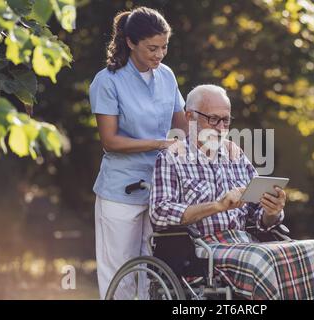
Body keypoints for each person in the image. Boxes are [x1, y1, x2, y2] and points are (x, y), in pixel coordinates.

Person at [149, 84, 314, 300]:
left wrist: (272, 210)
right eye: (213, 119)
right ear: (190, 117)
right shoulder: (171, 158)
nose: (220, 127)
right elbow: (160, 213)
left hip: (246, 241)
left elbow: (258, 216)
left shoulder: (236, 155)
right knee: (263, 261)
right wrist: (217, 206)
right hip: (202, 247)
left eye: (226, 120)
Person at [89, 6, 187, 299]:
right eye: (152, 48)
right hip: (121, 190)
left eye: (164, 47)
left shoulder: (167, 76)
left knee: (152, 274)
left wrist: (217, 141)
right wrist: (160, 143)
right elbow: (110, 141)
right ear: (131, 42)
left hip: (160, 190)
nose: (159, 55)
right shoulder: (108, 81)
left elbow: (184, 127)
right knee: (120, 274)